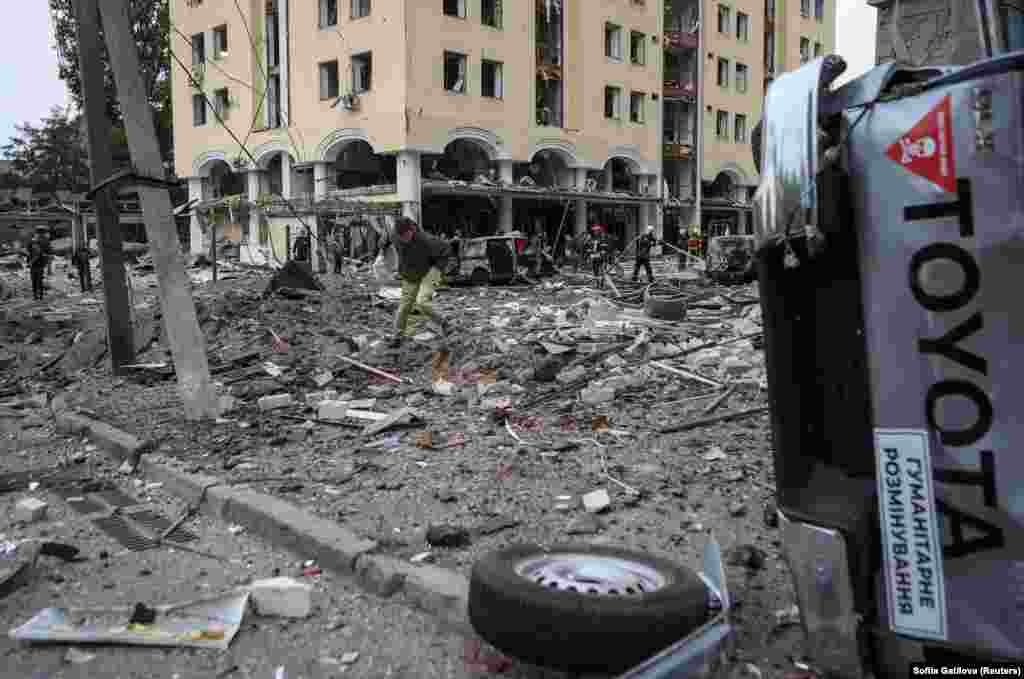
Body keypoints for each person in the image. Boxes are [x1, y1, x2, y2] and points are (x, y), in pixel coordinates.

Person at [389, 217, 453, 347]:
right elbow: (385, 242)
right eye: (400, 236)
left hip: (429, 272)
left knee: (422, 302)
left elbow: (446, 249)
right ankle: (397, 337)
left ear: (412, 230)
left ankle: (444, 323)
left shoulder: (426, 240)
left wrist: (437, 270)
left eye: (406, 235)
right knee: (404, 306)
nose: (403, 239)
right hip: (409, 275)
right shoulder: (394, 236)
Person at [24, 227, 51, 301]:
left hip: (36, 265)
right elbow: (28, 252)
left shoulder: (38, 242)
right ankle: (39, 296)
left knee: (35, 280)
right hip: (38, 264)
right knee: (38, 280)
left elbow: (28, 253)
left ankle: (37, 295)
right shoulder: (44, 242)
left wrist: (29, 261)